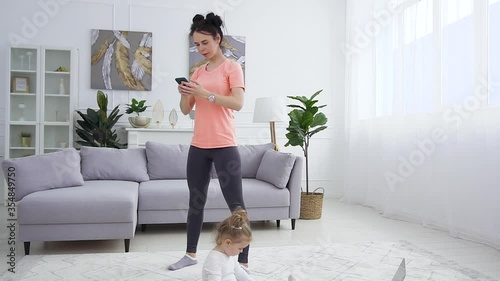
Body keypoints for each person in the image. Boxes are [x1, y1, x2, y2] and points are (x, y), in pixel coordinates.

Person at [168, 12, 248, 271]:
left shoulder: (232, 68)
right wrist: (185, 93)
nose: (200, 48)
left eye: (205, 42)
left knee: (237, 206)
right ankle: (190, 255)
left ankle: (243, 263)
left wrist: (207, 94)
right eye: (197, 44)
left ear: (218, 38)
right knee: (195, 201)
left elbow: (237, 103)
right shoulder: (197, 72)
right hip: (199, 146)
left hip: (225, 144)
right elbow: (185, 109)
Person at [202, 209, 253, 280]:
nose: (241, 251)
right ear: (228, 242)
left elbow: (239, 272)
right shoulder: (214, 259)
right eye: (240, 248)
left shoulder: (230, 255)